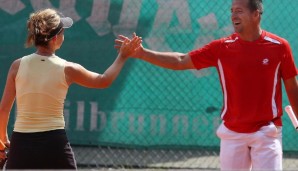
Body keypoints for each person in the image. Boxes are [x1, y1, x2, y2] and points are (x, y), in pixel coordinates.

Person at [115, 0, 298, 170]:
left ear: (256, 14)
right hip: (232, 134)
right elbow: (180, 60)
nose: (233, 15)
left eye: (239, 11)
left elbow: (292, 87)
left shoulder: (279, 46)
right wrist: (142, 54)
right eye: (232, 11)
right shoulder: (221, 48)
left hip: (266, 132)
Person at [0, 8, 141, 170]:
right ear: (54, 38)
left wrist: (2, 141)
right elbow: (104, 80)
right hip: (54, 142)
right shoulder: (68, 68)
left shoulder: (17, 66)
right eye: (62, 32)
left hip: (21, 143)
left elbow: (3, 109)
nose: (63, 36)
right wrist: (122, 56)